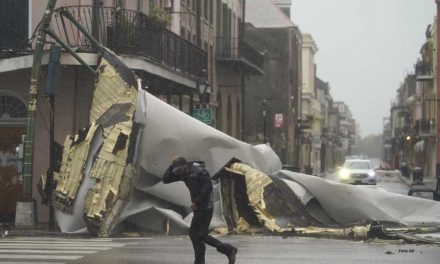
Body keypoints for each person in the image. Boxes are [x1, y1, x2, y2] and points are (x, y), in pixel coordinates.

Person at [163, 156, 237, 264]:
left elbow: (208, 188)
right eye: (176, 170)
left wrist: (197, 202)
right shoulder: (183, 173)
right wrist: (171, 166)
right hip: (198, 207)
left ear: (185, 166)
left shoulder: (200, 171)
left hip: (206, 207)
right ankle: (222, 252)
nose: (178, 172)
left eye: (179, 169)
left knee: (198, 235)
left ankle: (227, 250)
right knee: (195, 235)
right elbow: (165, 180)